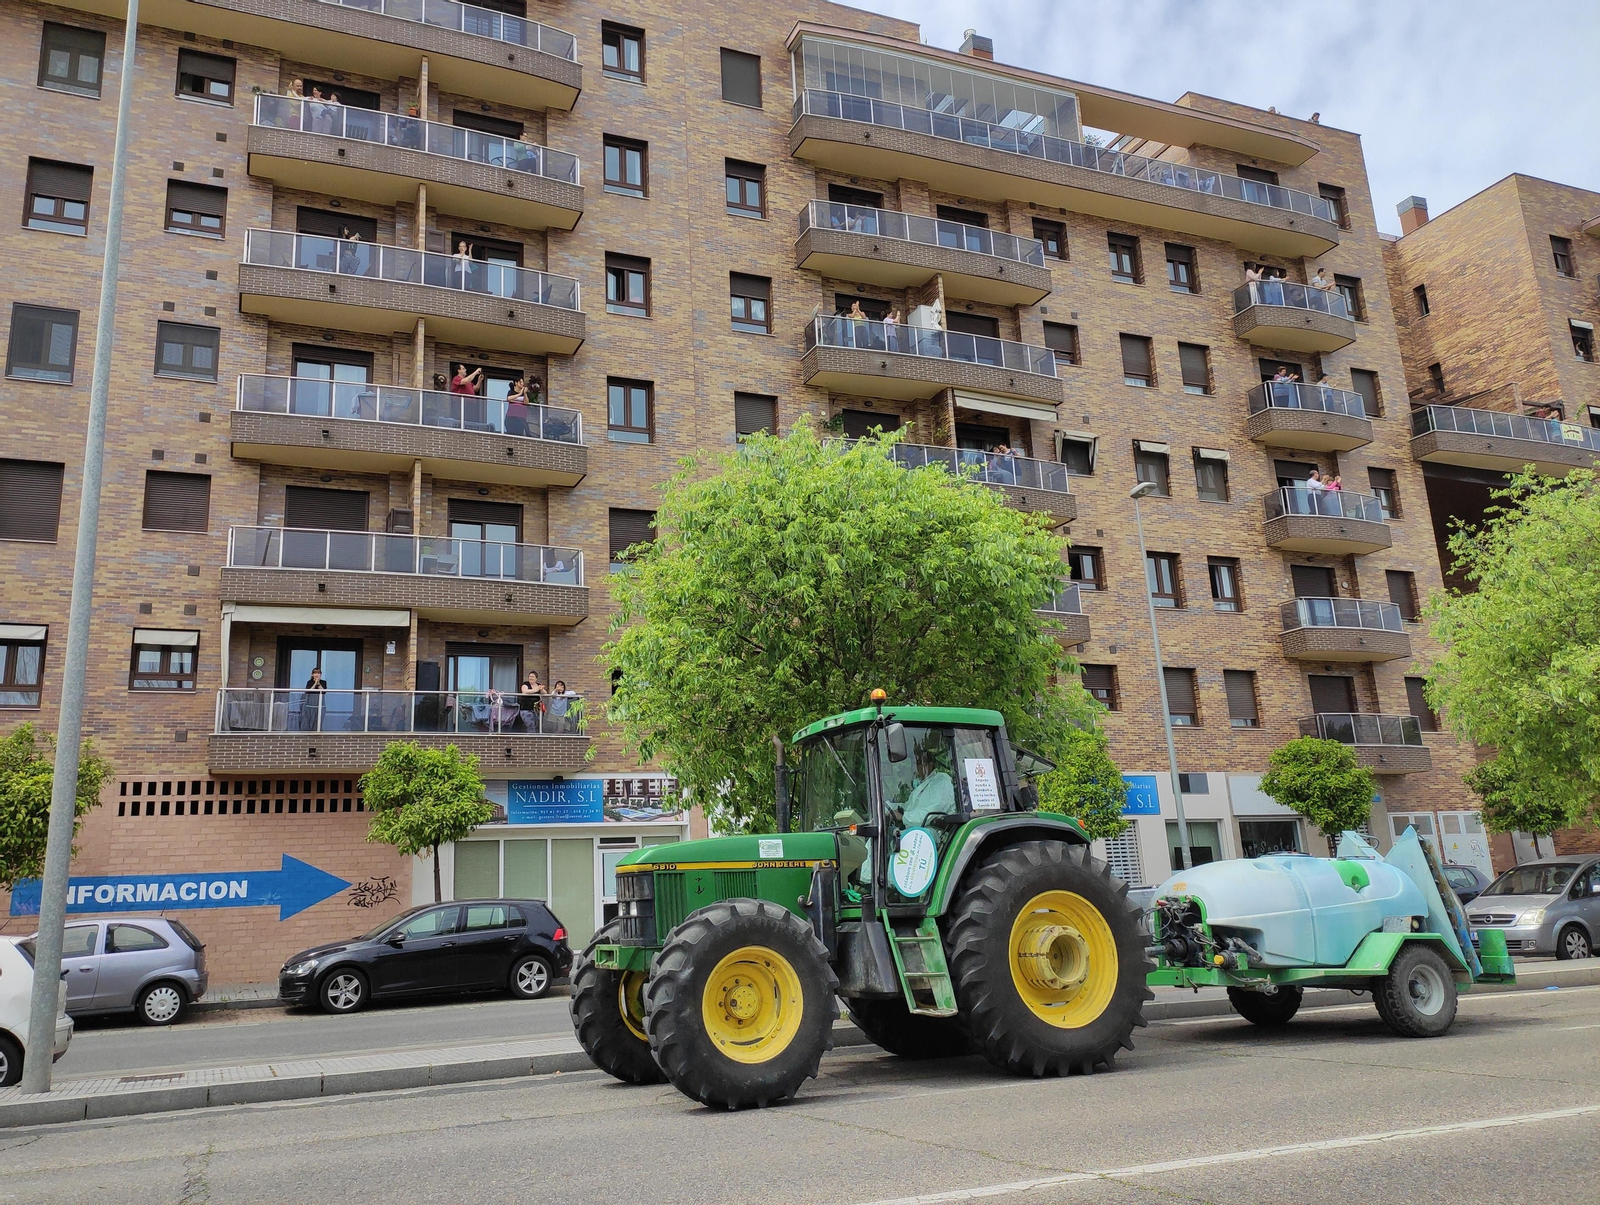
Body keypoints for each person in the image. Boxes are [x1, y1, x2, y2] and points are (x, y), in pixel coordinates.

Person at [899, 741, 957, 829]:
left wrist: (904, 817)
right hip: (919, 828)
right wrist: (889, 808)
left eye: (920, 763)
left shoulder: (941, 780)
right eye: (916, 763)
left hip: (936, 830)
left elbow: (933, 811)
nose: (917, 767)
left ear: (930, 765)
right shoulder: (922, 783)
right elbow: (909, 807)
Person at [298, 667, 328, 731]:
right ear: (312, 674)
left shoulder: (323, 682)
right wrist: (315, 683)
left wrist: (318, 684)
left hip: (320, 704)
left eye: (318, 673)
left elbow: (324, 691)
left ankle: (318, 732)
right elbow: (308, 691)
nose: (317, 674)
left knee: (318, 721)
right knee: (309, 720)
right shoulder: (309, 682)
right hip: (310, 704)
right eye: (315, 673)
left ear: (320, 674)